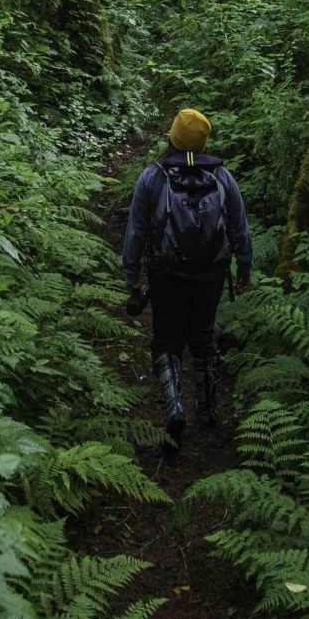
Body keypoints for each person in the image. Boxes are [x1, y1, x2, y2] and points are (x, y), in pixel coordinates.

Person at [120, 107, 252, 448]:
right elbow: (239, 224)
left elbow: (136, 229)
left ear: (173, 137)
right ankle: (209, 411)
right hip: (212, 271)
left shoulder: (154, 176)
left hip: (168, 270)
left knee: (167, 338)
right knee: (203, 335)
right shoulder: (222, 177)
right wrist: (245, 266)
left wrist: (132, 277)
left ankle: (175, 409)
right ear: (204, 141)